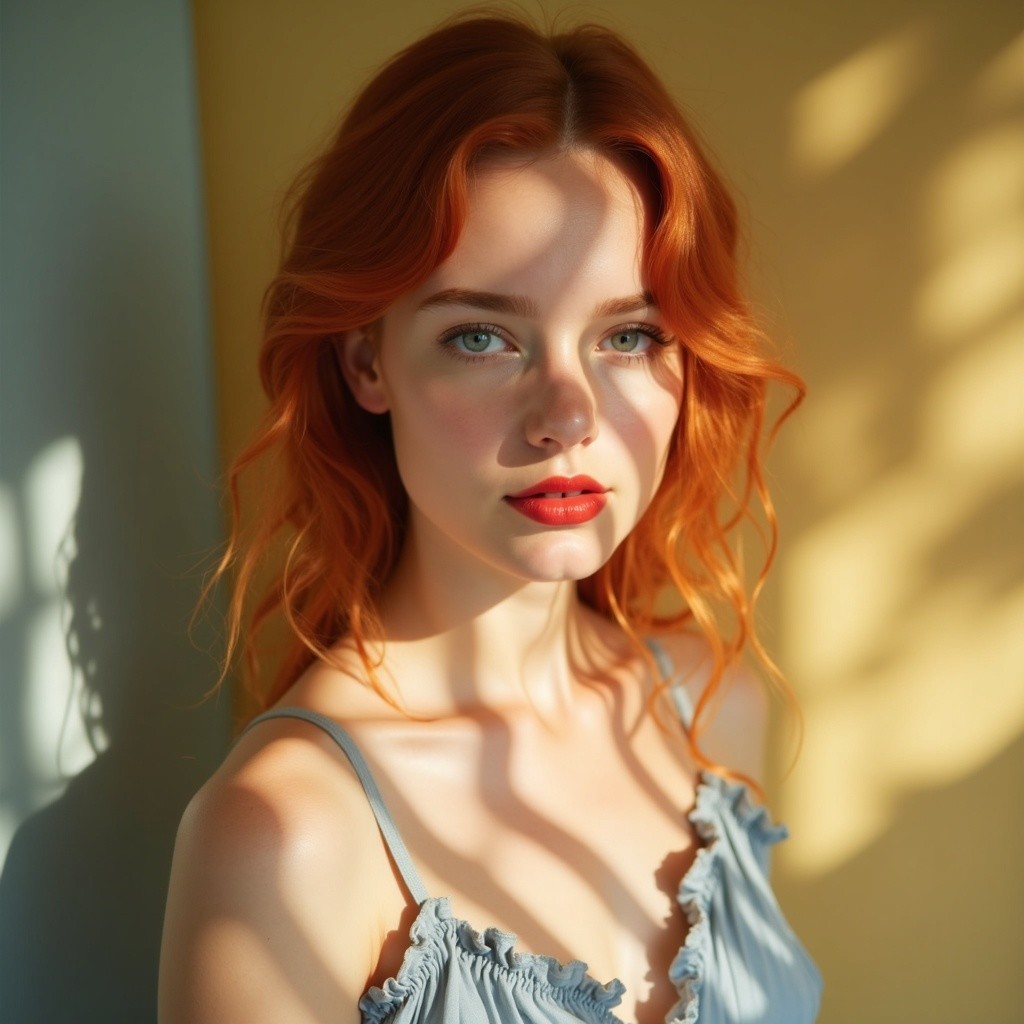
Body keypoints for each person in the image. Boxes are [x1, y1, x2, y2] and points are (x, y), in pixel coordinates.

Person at [159, 13, 822, 1024]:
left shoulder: (710, 709)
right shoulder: (288, 834)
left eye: (629, 335)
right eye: (482, 336)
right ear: (367, 362)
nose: (569, 416)